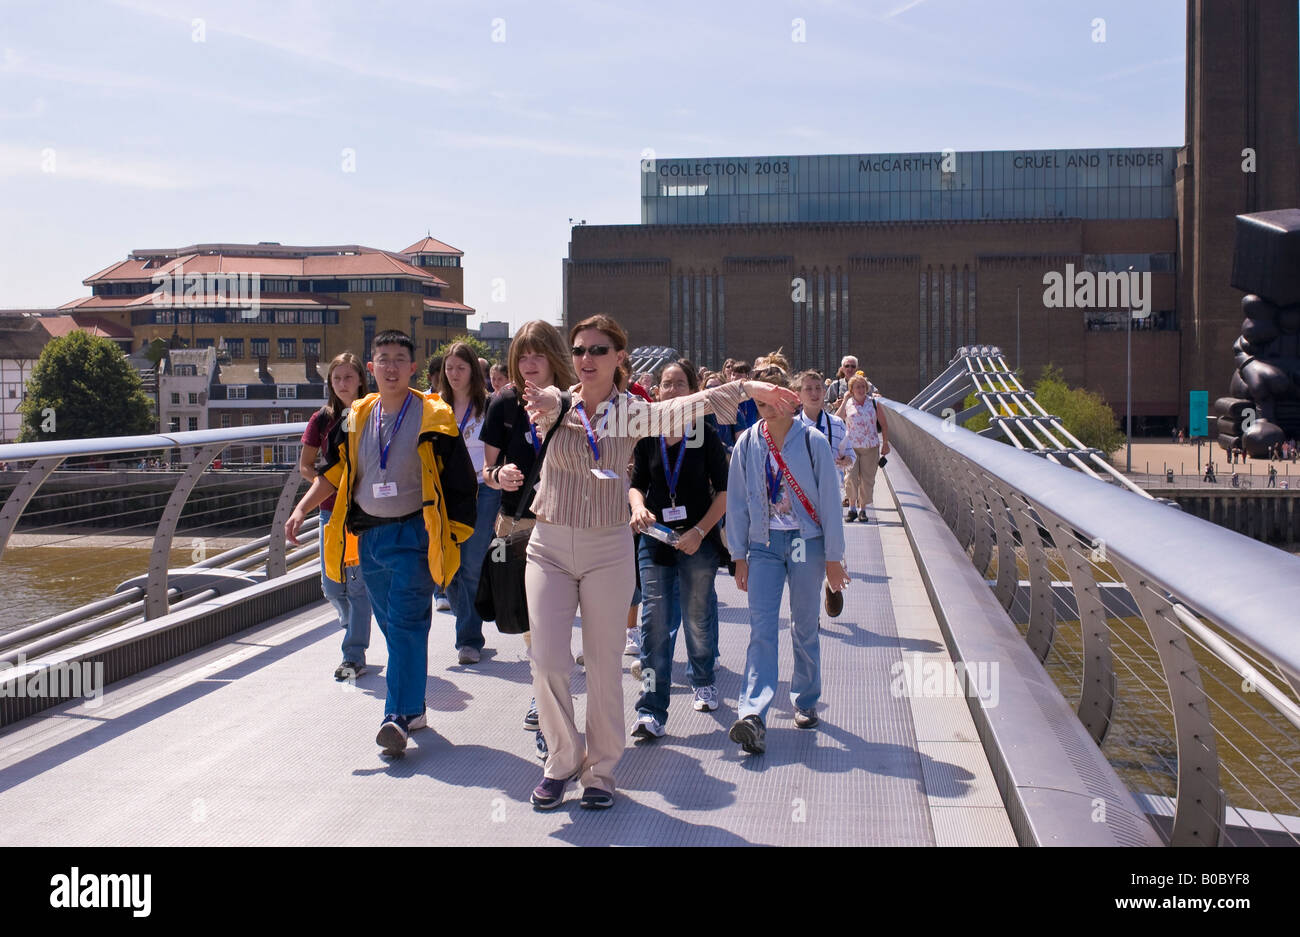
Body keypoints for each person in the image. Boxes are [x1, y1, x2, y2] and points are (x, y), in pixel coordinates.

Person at [520, 314, 797, 810]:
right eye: (579, 350)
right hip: (550, 544)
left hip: (607, 548)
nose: (587, 359)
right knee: (546, 659)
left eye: (598, 350)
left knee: (603, 663)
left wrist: (748, 388)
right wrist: (541, 406)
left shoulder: (630, 414)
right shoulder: (558, 402)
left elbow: (687, 406)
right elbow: (543, 403)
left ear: (619, 357)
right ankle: (562, 759)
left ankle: (600, 770)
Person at [285, 330, 478, 756]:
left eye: (400, 359)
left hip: (415, 534)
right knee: (392, 625)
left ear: (413, 368)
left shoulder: (434, 414)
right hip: (368, 535)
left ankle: (395, 718)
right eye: (384, 359)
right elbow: (334, 471)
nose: (391, 367)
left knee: (406, 622)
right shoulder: (357, 415)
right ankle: (414, 707)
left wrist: (452, 534)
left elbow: (461, 479)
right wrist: (301, 509)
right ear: (371, 368)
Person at [726, 365, 848, 756]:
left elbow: (830, 502)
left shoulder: (812, 442)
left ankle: (805, 698)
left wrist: (834, 558)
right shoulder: (748, 443)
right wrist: (738, 554)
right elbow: (737, 502)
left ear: (791, 400)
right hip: (764, 544)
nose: (768, 408)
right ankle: (753, 714)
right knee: (761, 628)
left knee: (803, 624)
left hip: (804, 543)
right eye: (760, 402)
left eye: (775, 400)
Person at [481, 320, 577, 762]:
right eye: (522, 356)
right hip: (518, 525)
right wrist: (498, 475)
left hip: (567, 525)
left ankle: (549, 703)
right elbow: (486, 470)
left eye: (538, 355)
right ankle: (546, 696)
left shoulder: (574, 400)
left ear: (554, 357)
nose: (529, 364)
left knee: (551, 624)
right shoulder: (504, 403)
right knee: (532, 623)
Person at [627, 359, 729, 740]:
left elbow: (724, 491)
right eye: (666, 384)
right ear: (657, 392)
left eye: (679, 383)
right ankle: (650, 708)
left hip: (697, 540)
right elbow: (636, 483)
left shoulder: (705, 433)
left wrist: (701, 532)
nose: (671, 390)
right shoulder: (648, 433)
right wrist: (637, 507)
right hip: (655, 538)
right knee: (653, 622)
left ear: (693, 391)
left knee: (697, 615)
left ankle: (703, 679)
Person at [298, 351, 372, 681]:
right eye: (337, 378)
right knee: (331, 586)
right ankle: (353, 624)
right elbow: (306, 464)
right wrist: (325, 485)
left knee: (356, 586)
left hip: (362, 511)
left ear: (360, 380)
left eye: (348, 377)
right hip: (330, 510)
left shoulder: (372, 413)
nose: (342, 383)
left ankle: (353, 654)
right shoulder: (321, 419)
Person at [439, 341, 502, 665]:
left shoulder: (488, 405)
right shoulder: (437, 407)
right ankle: (469, 620)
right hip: (447, 494)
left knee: (471, 564)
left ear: (473, 372)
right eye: (449, 368)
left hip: (483, 491)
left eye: (461, 368)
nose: (454, 374)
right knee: (448, 567)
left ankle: (469, 639)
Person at [794, 369, 856, 614]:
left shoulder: (836, 424)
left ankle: (832, 582)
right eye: (808, 389)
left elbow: (850, 455)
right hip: (799, 502)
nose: (814, 393)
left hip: (829, 499)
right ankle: (809, 610)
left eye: (818, 388)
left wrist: (845, 460)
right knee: (802, 557)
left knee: (832, 544)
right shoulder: (791, 427)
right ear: (798, 395)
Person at [834, 373, 890, 522]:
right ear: (851, 389)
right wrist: (844, 400)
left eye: (863, 387)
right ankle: (852, 508)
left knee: (867, 479)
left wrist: (885, 444)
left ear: (866, 388)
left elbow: (884, 425)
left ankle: (862, 509)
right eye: (857, 387)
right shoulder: (848, 403)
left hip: (870, 447)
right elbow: (837, 419)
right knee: (850, 478)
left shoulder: (874, 403)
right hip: (851, 447)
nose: (860, 390)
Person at [424, 355, 452, 614]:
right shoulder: (421, 402)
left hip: (452, 475)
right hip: (429, 477)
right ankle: (439, 590)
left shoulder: (456, 401)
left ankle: (448, 586)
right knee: (434, 533)